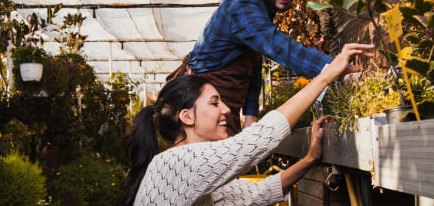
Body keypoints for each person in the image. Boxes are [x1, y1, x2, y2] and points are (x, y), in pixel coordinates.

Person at [124, 43, 374, 205]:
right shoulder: (176, 163)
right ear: (187, 117)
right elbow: (254, 142)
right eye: (214, 103)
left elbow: (258, 194)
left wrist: (309, 159)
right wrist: (326, 76)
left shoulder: (193, 172)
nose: (226, 109)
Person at [175, 0, 350, 136]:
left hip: (224, 105)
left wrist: (250, 115)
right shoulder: (243, 8)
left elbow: (254, 62)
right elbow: (282, 49)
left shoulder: (261, 1)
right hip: (204, 109)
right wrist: (335, 69)